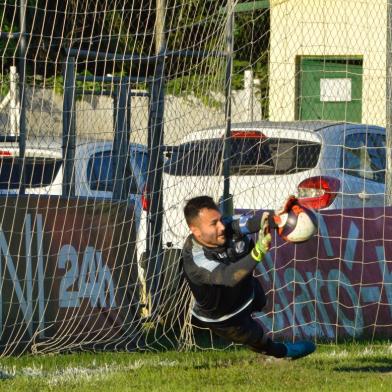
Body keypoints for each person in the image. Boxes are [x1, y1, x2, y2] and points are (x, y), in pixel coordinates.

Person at [181, 195, 316, 359]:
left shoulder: (228, 225)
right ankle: (284, 353)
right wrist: (257, 252)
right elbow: (227, 277)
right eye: (213, 224)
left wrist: (280, 217)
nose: (222, 226)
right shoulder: (195, 258)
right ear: (195, 230)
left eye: (220, 219)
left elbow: (255, 221)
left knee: (261, 300)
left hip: (247, 292)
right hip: (224, 316)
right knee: (259, 339)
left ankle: (256, 313)